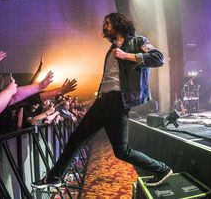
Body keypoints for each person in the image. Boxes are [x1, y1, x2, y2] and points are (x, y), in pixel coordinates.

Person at [31, 13, 172, 189]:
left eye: (107, 23)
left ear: (118, 23)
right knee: (77, 138)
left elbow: (158, 58)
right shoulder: (110, 50)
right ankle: (55, 176)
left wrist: (127, 56)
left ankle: (162, 169)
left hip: (118, 102)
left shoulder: (137, 42)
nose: (104, 26)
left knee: (122, 152)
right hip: (103, 102)